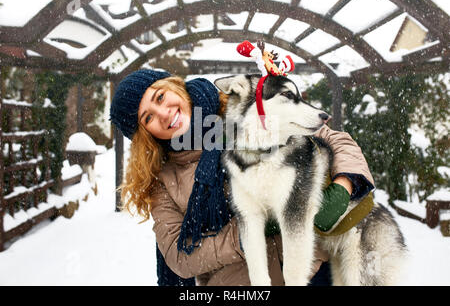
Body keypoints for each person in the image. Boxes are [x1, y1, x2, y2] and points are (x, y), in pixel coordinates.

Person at [109, 69, 375, 286]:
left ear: (174, 86)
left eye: (160, 97)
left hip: (312, 267)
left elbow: (333, 138)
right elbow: (181, 257)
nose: (164, 113)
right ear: (145, 134)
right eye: (149, 117)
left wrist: (343, 187)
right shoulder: (163, 182)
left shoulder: (241, 108)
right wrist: (250, 229)